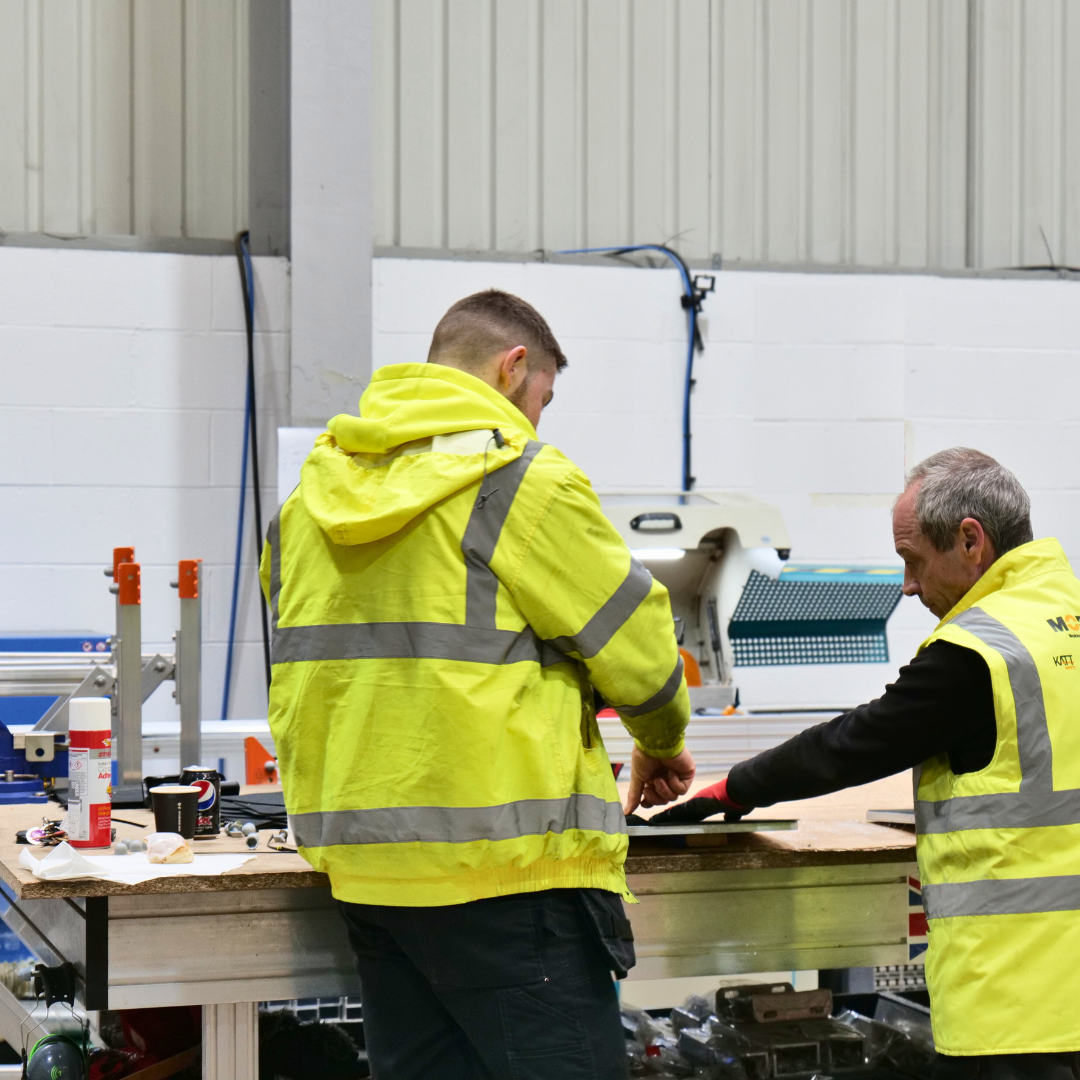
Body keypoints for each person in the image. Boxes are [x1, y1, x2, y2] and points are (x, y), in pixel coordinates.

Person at [260, 288, 695, 1079]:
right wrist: (660, 741)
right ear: (513, 367)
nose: (537, 422)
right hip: (509, 882)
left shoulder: (307, 504)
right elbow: (640, 650)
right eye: (542, 400)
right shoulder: (520, 481)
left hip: (371, 883)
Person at [654, 447, 1080, 1079]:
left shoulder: (979, 652)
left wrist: (733, 789)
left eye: (913, 559)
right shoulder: (1066, 615)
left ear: (971, 541)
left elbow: (851, 745)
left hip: (1014, 998)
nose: (907, 584)